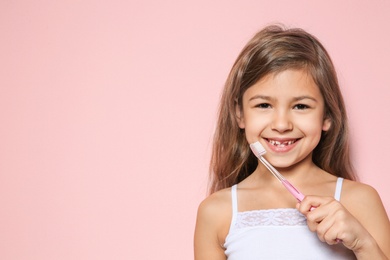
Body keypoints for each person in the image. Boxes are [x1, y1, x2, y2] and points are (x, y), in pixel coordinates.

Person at [194, 24, 390, 259]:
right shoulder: (216, 212)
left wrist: (362, 244)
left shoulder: (360, 201)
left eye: (301, 106)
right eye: (264, 105)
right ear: (240, 114)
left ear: (327, 116)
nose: (282, 124)